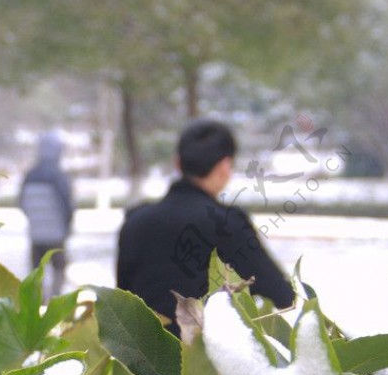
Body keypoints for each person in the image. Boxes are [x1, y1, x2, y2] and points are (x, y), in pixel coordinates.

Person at [116, 118, 296, 334]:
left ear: (177, 163)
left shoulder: (135, 222)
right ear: (224, 166)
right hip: (206, 359)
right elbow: (279, 295)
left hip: (142, 356)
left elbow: (122, 303)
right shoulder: (227, 223)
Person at [18, 130, 74, 297]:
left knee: (37, 273)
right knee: (59, 269)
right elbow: (67, 206)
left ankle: (38, 302)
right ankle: (54, 301)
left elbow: (22, 203)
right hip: (56, 236)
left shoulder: (29, 175)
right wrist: (68, 226)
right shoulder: (59, 176)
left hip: (36, 236)